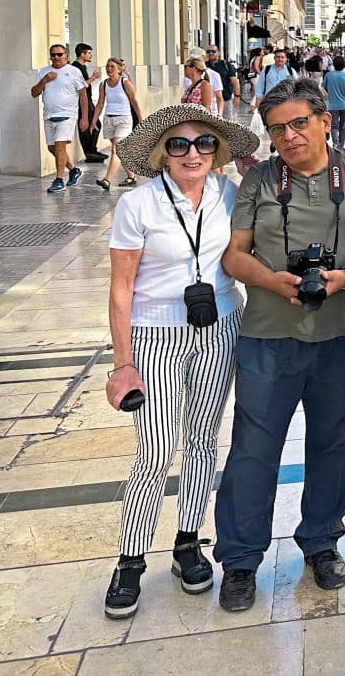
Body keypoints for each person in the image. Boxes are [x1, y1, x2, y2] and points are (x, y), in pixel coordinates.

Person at [214, 78, 345, 611]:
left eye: (299, 124)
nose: (289, 137)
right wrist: (275, 281)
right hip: (270, 336)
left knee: (338, 446)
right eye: (277, 130)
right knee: (253, 450)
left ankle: (321, 540)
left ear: (324, 120)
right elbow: (234, 255)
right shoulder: (261, 181)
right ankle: (242, 559)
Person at [100, 106, 258, 619]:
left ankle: (188, 541)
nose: (193, 154)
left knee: (203, 440)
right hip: (154, 334)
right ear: (161, 154)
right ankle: (130, 559)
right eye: (180, 145)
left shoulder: (229, 194)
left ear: (218, 152)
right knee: (154, 450)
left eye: (205, 144)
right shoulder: (138, 205)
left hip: (222, 325)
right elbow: (121, 289)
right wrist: (123, 363)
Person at [31, 43, 90, 193]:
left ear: (66, 56)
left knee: (59, 146)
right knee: (53, 148)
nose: (56, 57)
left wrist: (85, 118)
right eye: (53, 55)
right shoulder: (44, 71)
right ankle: (73, 170)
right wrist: (44, 80)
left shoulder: (74, 71)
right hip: (49, 115)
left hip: (68, 115)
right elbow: (34, 93)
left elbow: (83, 95)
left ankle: (59, 180)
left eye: (59, 54)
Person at [92, 58, 144, 190]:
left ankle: (107, 180)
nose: (109, 69)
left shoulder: (125, 83)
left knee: (115, 150)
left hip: (124, 120)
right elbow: (100, 104)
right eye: (107, 66)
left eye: (112, 67)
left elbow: (134, 102)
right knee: (121, 152)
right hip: (109, 120)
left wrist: (141, 119)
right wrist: (93, 121)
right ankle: (131, 176)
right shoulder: (103, 84)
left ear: (119, 69)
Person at [74, 42, 107, 163]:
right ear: (81, 54)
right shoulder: (76, 68)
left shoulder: (82, 67)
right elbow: (80, 87)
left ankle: (92, 150)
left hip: (88, 99)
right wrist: (93, 78)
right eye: (88, 53)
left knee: (95, 123)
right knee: (86, 125)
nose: (90, 56)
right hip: (82, 100)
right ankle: (90, 152)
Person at [322, 55, 345, 149]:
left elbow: (322, 88)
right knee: (343, 126)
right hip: (344, 105)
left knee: (334, 125)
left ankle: (335, 142)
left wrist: (327, 96)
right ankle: (341, 145)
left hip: (332, 105)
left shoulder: (329, 75)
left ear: (334, 64)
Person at [207, 46, 237, 116]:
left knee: (227, 122)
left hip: (225, 98)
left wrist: (237, 96)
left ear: (218, 53)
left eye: (213, 51)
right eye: (208, 52)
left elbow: (234, 81)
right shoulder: (205, 65)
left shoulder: (225, 64)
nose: (211, 53)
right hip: (211, 101)